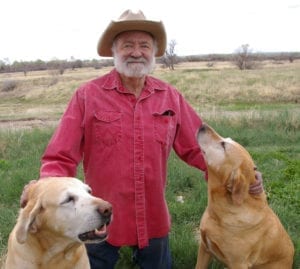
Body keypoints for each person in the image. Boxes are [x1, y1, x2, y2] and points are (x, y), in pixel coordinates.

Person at [25, 9, 263, 269]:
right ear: (115, 51)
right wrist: (43, 188)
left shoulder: (170, 97)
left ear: (153, 52)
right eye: (128, 45)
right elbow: (60, 156)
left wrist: (244, 175)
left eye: (144, 45)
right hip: (98, 216)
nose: (136, 52)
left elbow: (200, 150)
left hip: (152, 216)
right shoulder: (87, 96)